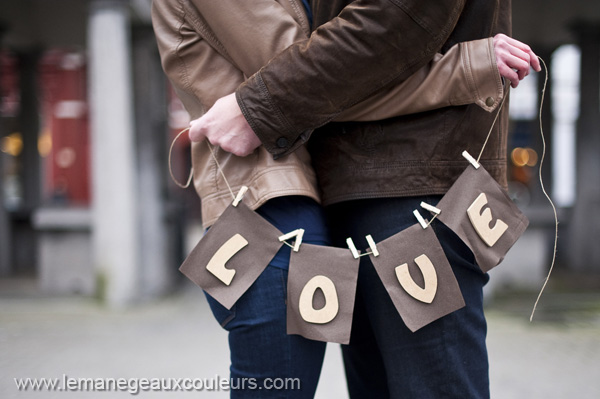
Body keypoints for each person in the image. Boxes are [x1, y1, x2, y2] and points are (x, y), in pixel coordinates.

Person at [152, 0, 540, 397]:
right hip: (285, 206)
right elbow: (325, 71)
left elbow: (335, 70)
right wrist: (464, 67)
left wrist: (255, 106)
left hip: (378, 194)